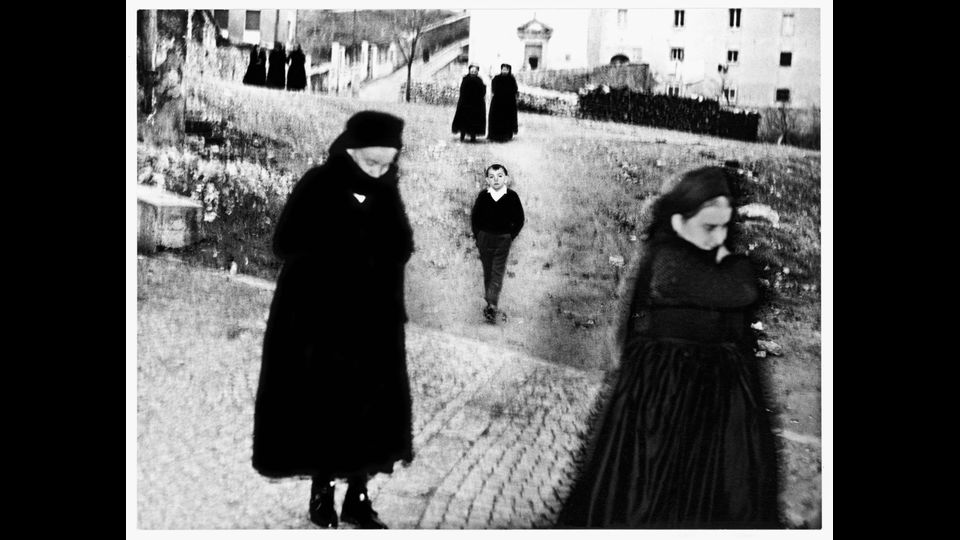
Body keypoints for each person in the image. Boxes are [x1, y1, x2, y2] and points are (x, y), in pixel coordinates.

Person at [557, 166, 782, 529]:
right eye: (709, 227)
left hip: (716, 405)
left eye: (725, 227)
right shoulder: (665, 260)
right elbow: (742, 290)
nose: (719, 238)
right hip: (663, 397)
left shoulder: (708, 257)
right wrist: (736, 265)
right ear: (679, 222)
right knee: (650, 495)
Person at [252, 111, 416, 529]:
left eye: (386, 165)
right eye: (371, 163)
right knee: (324, 405)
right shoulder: (318, 184)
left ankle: (358, 496)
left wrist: (381, 253)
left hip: (373, 323)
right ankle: (322, 491)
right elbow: (284, 242)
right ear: (351, 151)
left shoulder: (387, 192)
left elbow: (402, 245)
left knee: (369, 409)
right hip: (319, 320)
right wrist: (339, 250)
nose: (378, 171)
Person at [470, 164, 524, 323]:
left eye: (500, 176)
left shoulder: (512, 196)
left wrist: (510, 236)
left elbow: (519, 219)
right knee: (488, 270)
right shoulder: (483, 196)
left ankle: (492, 304)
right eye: (492, 177)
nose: (496, 180)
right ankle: (490, 303)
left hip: (503, 239)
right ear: (487, 180)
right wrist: (479, 236)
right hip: (485, 238)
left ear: (506, 179)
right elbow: (475, 218)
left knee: (497, 271)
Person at [451, 64, 486, 142]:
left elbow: (482, 92)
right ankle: (462, 136)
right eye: (472, 71)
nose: (473, 72)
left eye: (475, 71)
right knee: (463, 120)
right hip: (465, 103)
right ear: (469, 71)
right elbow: (462, 91)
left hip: (476, 104)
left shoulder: (479, 80)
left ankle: (473, 137)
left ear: (477, 72)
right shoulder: (465, 79)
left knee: (474, 121)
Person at [487, 64, 519, 142]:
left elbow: (515, 89)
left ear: (509, 70)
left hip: (508, 102)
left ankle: (506, 135)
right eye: (503, 69)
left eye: (506, 70)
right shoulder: (496, 78)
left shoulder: (511, 79)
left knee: (507, 118)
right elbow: (494, 88)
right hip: (497, 102)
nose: (504, 71)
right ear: (501, 70)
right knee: (496, 118)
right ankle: (494, 135)